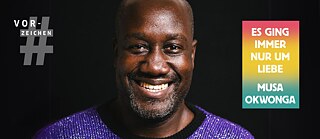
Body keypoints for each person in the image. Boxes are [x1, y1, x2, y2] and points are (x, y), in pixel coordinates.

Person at [34, 0, 254, 138]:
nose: (155, 66)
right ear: (116, 52)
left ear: (192, 55)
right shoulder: (59, 136)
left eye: (173, 48)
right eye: (138, 47)